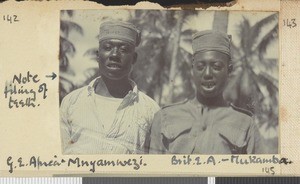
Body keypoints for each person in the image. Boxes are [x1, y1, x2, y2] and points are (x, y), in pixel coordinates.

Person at [149, 30, 265, 154]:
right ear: (192, 69)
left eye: (216, 67)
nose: (208, 74)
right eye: (200, 67)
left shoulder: (245, 124)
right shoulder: (164, 117)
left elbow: (257, 171)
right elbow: (153, 170)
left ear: (229, 70)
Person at [60, 21, 160, 154]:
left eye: (123, 50)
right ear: (97, 55)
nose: (114, 55)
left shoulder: (150, 110)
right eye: (107, 48)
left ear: (134, 58)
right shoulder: (71, 102)